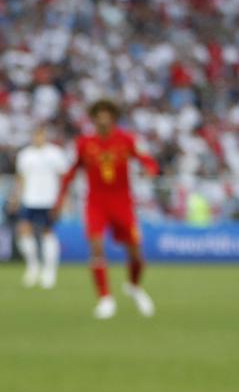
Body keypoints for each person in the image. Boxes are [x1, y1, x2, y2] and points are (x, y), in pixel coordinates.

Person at [54, 100, 159, 319]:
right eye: (98, 115)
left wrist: (149, 169)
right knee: (96, 247)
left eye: (107, 114)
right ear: (93, 118)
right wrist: (59, 201)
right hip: (96, 203)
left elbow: (147, 160)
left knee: (135, 252)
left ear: (113, 117)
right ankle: (105, 298)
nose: (103, 119)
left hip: (122, 202)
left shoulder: (127, 139)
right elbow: (71, 172)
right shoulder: (84, 143)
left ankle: (134, 286)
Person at [9, 124, 69, 288]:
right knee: (24, 231)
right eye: (35, 135)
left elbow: (64, 179)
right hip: (30, 199)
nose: (38, 138)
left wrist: (63, 200)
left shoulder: (55, 154)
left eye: (40, 135)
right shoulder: (25, 155)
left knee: (47, 233)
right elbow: (20, 179)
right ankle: (33, 266)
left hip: (49, 199)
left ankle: (49, 271)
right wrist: (15, 198)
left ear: (45, 135)